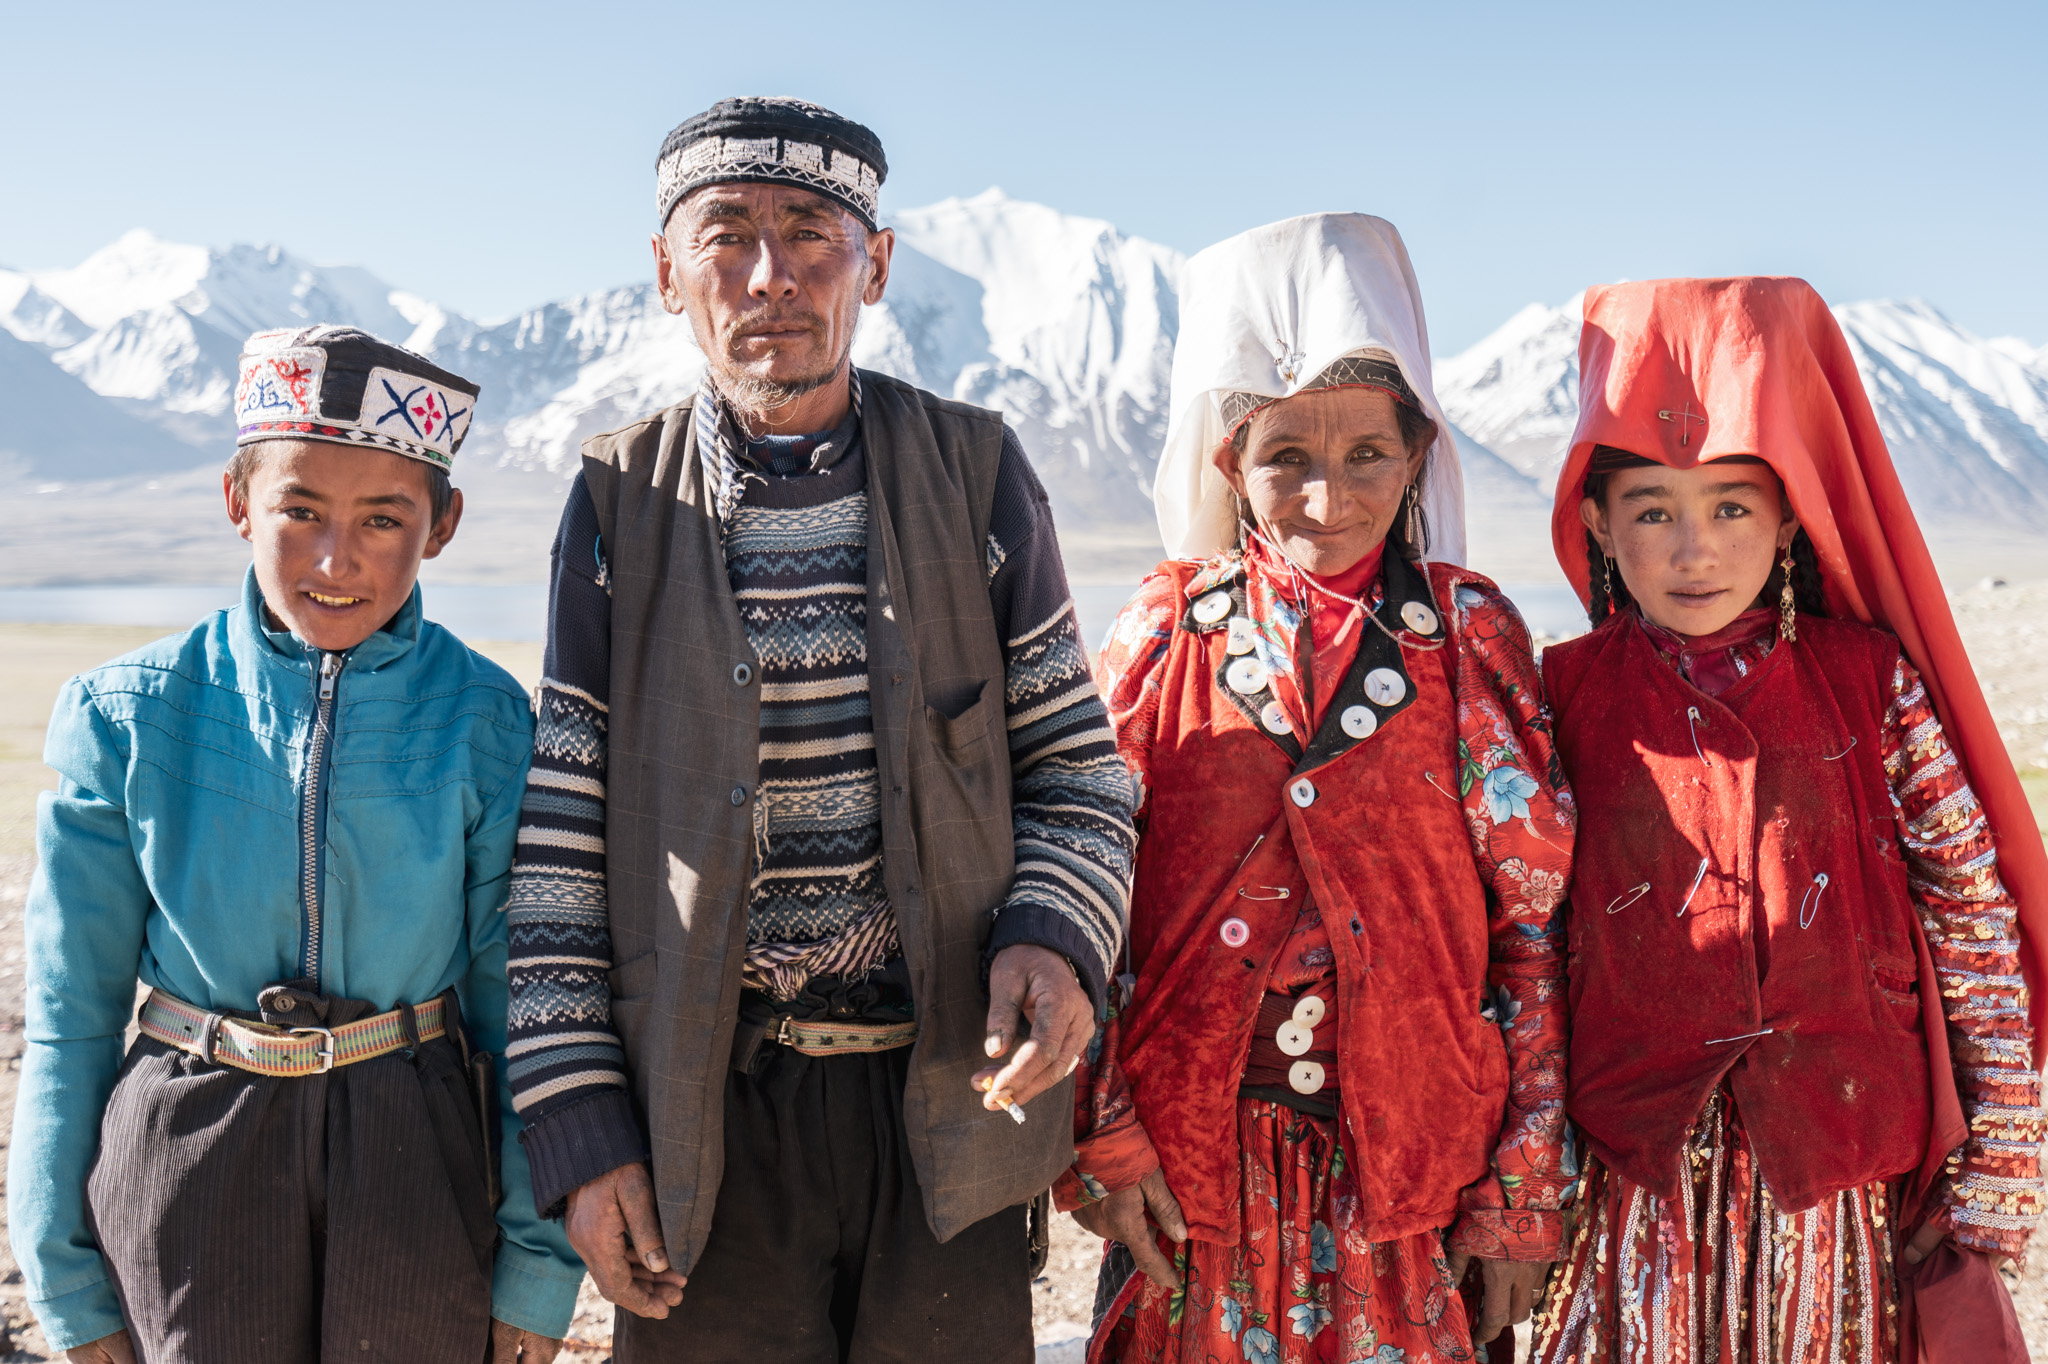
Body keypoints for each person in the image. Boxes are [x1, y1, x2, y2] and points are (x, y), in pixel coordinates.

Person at [500, 96, 1139, 1363]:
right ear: (667, 270)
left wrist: (1053, 939)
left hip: (946, 1096)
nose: (768, 276)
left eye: (810, 235)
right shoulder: (616, 502)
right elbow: (565, 830)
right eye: (725, 234)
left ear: (877, 263)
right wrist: (581, 1132)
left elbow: (1076, 767)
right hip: (706, 1114)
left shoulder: (977, 473)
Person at [8, 326, 583, 1363]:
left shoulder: (487, 724)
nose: (336, 556)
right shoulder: (127, 716)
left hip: (417, 1160)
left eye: (383, 518)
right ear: (237, 502)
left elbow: (521, 1012)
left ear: (442, 524)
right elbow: (69, 1018)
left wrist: (537, 1270)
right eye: (299, 510)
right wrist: (62, 1276)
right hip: (185, 1155)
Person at [1073, 213, 1575, 1364]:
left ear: (1414, 458)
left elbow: (1531, 940)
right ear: (1230, 468)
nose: (1324, 494)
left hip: (1412, 1192)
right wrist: (1102, 1137)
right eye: (1282, 455)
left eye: (1365, 454)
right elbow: (1079, 894)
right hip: (1191, 1183)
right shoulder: (1163, 635)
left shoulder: (1467, 637)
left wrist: (1520, 1189)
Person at [1530, 276, 2046, 1363]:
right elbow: (1523, 944)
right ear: (1594, 523)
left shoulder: (1870, 683)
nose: (1692, 550)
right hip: (1632, 1190)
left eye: (1728, 507)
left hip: (1836, 1195)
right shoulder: (1558, 696)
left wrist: (1997, 1167)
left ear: (1786, 519)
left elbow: (1969, 916)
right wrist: (1527, 1175)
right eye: (1651, 512)